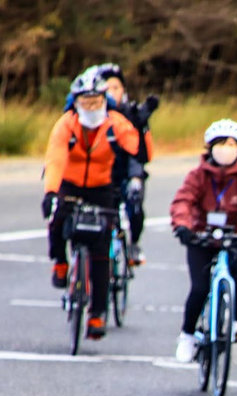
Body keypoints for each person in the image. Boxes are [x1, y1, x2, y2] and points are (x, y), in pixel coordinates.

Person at [43, 67, 140, 339]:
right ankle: (60, 263)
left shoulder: (114, 123)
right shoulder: (66, 124)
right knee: (57, 218)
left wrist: (141, 128)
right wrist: (51, 192)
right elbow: (55, 158)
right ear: (76, 103)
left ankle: (97, 314)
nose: (91, 106)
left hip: (101, 187)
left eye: (96, 101)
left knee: (101, 252)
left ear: (103, 101)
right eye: (85, 102)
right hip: (70, 184)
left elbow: (139, 152)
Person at [171, 119, 237, 363]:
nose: (227, 148)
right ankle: (187, 335)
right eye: (221, 143)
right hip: (200, 236)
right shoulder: (198, 175)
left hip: (233, 236)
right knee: (200, 287)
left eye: (232, 144)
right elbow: (183, 200)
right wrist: (182, 226)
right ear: (210, 147)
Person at [98, 63, 159, 265]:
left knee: (135, 204)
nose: (112, 92)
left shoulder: (133, 113)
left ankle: (134, 243)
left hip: (126, 172)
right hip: (102, 175)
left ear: (123, 90)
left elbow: (140, 154)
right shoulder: (94, 113)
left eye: (116, 87)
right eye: (108, 88)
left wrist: (135, 178)